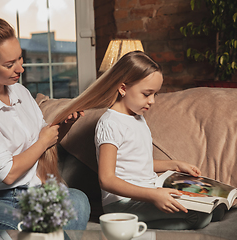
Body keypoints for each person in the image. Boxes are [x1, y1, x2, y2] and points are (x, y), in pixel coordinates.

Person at [0, 10, 90, 230]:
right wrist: (43, 140)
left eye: (20, 57)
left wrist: (65, 124)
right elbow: (9, 174)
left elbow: (44, 137)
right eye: (9, 64)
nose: (20, 69)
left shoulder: (19, 92)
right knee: (33, 226)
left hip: (27, 192)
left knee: (78, 199)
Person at [92, 51, 224, 230]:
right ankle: (130, 224)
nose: (152, 101)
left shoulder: (137, 117)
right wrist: (153, 196)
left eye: (155, 94)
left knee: (209, 204)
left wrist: (175, 165)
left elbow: (139, 163)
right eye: (147, 94)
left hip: (149, 193)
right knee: (198, 216)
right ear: (123, 88)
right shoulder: (110, 123)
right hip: (122, 204)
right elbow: (106, 179)